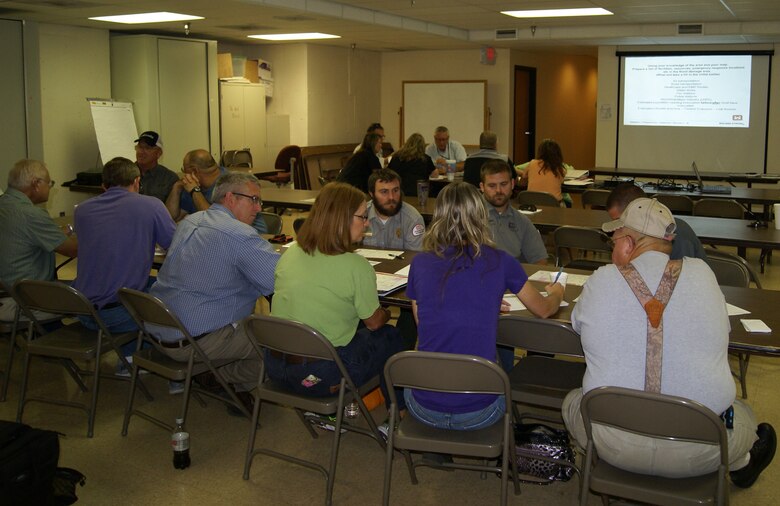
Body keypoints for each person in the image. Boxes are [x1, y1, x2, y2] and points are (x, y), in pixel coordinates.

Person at [562, 198, 776, 486]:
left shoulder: (601, 279)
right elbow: (722, 330)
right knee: (743, 412)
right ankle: (742, 462)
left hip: (613, 444)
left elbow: (577, 324)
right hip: (703, 448)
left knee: (572, 400)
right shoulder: (703, 274)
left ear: (627, 241)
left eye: (613, 240)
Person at [405, 182, 565, 431]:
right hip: (480, 411)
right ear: (481, 216)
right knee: (499, 364)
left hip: (423, 406)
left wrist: (479, 302)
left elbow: (423, 323)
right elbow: (543, 309)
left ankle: (435, 445)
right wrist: (556, 293)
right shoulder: (501, 261)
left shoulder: (420, 263)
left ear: (438, 216)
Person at [266, 183, 407, 421]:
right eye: (362, 217)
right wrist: (382, 312)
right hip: (320, 377)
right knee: (390, 336)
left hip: (275, 368)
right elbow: (373, 323)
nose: (367, 223)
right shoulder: (356, 266)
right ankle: (399, 414)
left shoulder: (289, 253)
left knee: (353, 328)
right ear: (341, 219)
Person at [149, 172, 280, 414]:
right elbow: (278, 282)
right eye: (253, 199)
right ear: (230, 198)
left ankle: (213, 372)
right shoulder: (238, 234)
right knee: (279, 346)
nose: (259, 208)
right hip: (195, 343)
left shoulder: (190, 221)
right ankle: (228, 380)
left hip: (159, 329)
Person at [71, 157, 176, 373]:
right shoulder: (151, 205)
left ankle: (130, 353)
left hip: (84, 310)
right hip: (119, 316)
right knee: (172, 293)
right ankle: (142, 355)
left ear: (104, 185)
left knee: (141, 283)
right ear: (137, 182)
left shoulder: (82, 210)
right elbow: (175, 245)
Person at [0, 159, 78, 321]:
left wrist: (63, 232)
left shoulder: (6, 206)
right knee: (98, 296)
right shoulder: (31, 215)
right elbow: (73, 250)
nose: (50, 188)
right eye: (50, 183)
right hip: (24, 301)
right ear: (36, 183)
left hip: (5, 294)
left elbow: (24, 237)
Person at [165, 149, 267, 233]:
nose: (184, 174)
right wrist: (177, 187)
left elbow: (216, 222)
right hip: (219, 237)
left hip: (251, 235)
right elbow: (171, 218)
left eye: (184, 170)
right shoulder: (191, 185)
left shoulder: (229, 183)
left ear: (194, 171)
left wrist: (195, 191)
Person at [606, 182, 706, 260]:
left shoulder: (677, 234)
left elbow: (682, 280)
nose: (617, 230)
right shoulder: (637, 235)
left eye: (620, 221)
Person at [480, 159, 548, 265]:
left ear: (512, 184)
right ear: (482, 187)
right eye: (492, 186)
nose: (498, 190)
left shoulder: (522, 222)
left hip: (514, 279)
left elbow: (540, 260)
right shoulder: (470, 217)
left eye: (503, 184)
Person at [363, 169, 425, 251]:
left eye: (395, 190)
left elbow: (415, 258)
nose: (391, 197)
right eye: (384, 192)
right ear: (371, 193)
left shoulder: (412, 219)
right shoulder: (360, 215)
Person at [518, 138, 570, 207]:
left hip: (532, 205)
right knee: (568, 203)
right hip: (554, 206)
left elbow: (522, 183)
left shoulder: (532, 163)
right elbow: (560, 182)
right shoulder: (560, 168)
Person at [134, 130, 178, 203]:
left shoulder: (169, 178)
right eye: (139, 147)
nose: (141, 152)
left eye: (147, 148)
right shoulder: (124, 173)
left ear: (159, 153)